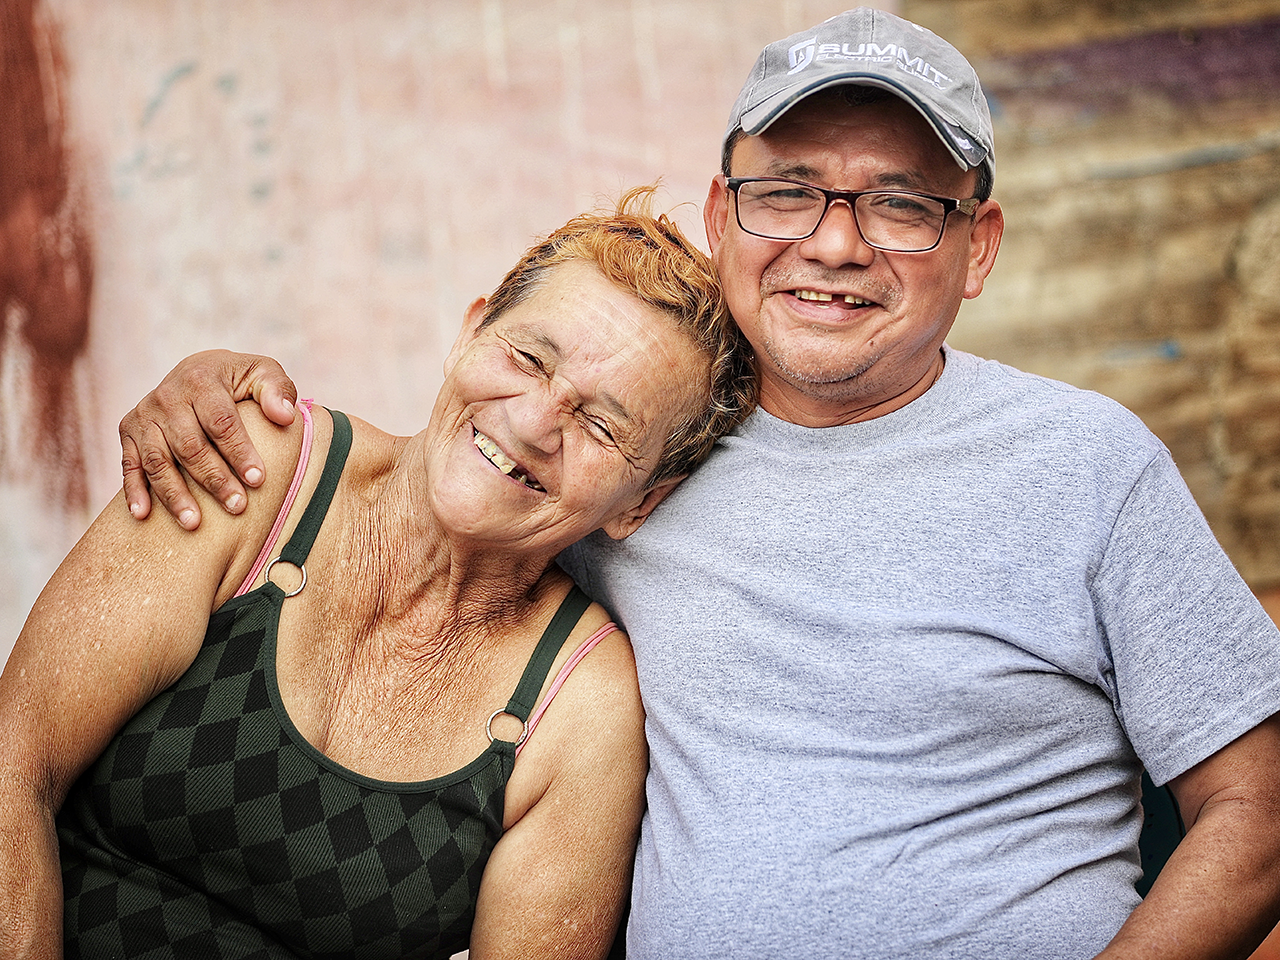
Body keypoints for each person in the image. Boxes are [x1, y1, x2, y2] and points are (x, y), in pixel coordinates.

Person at [108, 9, 1280, 960]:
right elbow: (440, 465)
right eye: (788, 191)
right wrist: (228, 392)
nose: (834, 243)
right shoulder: (635, 449)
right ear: (722, 218)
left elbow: (1256, 814)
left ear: (977, 247)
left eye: (902, 204)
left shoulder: (1086, 463)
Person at [0, 187, 755, 960]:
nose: (531, 423)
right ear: (470, 330)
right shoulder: (251, 465)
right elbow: (12, 766)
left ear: (642, 503)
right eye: (527, 359)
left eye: (601, 423)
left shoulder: (579, 709)